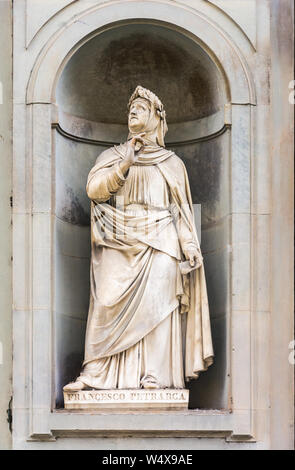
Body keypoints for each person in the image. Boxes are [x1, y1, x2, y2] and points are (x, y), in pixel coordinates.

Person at [63, 85, 213, 392]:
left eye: (141, 108)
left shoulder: (172, 163)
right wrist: (125, 164)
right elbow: (94, 191)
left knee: (160, 304)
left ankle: (154, 375)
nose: (133, 111)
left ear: (157, 118)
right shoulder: (112, 155)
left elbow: (181, 211)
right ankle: (97, 372)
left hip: (162, 241)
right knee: (106, 300)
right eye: (131, 109)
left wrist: (190, 245)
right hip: (117, 237)